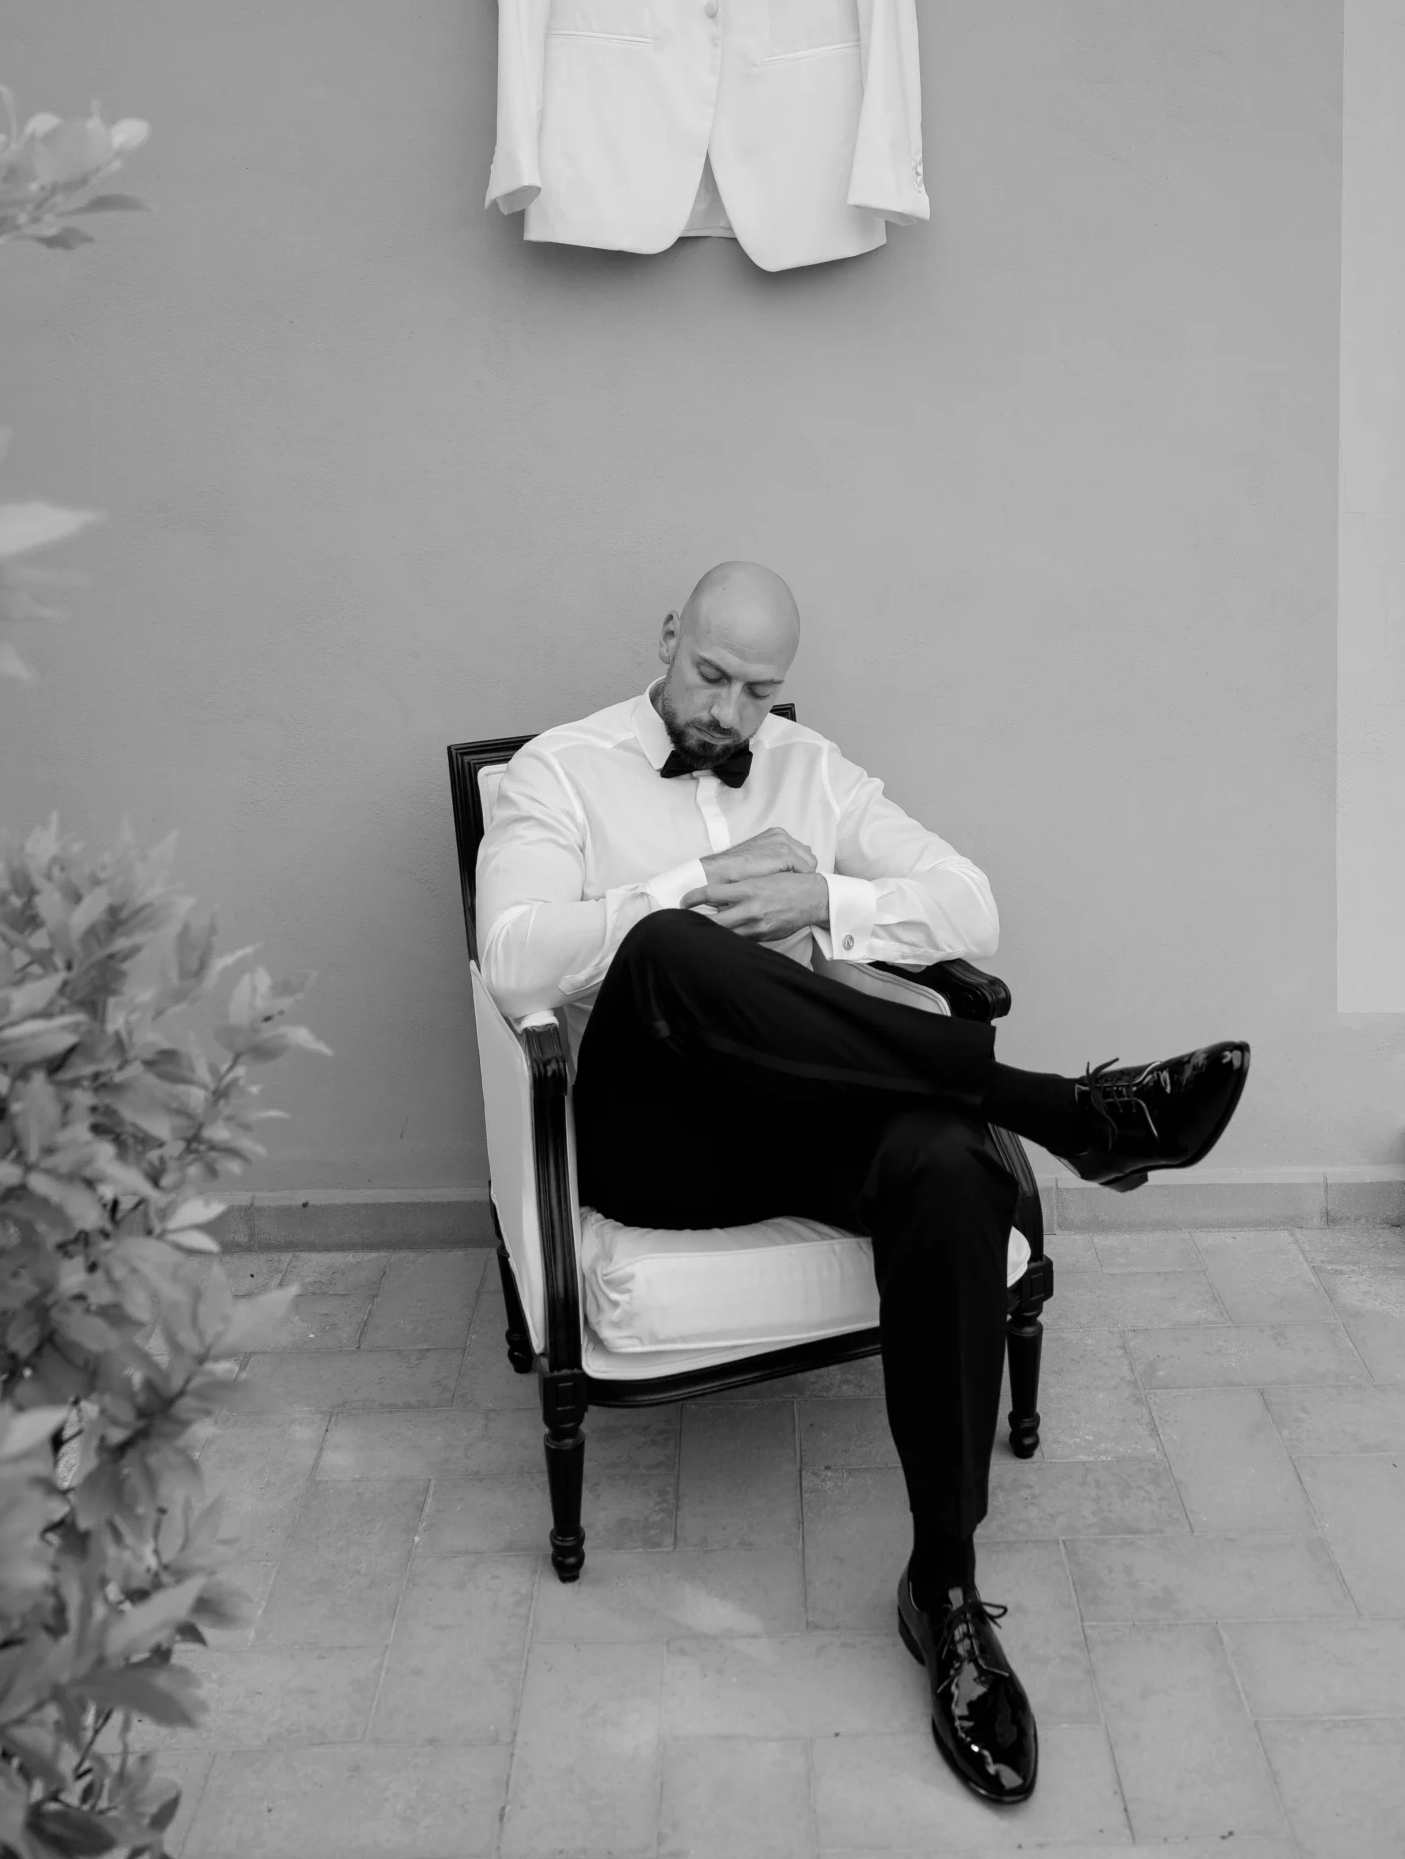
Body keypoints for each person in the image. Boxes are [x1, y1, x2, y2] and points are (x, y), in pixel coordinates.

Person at [476, 562, 1250, 1809]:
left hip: (801, 1113)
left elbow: (970, 904)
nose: (729, 714)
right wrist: (682, 897)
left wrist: (825, 898)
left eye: (758, 691)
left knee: (947, 1166)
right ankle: (1065, 1113)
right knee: (674, 947)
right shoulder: (559, 772)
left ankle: (942, 1591)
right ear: (667, 639)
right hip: (650, 1138)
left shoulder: (812, 769)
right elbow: (511, 953)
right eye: (709, 676)